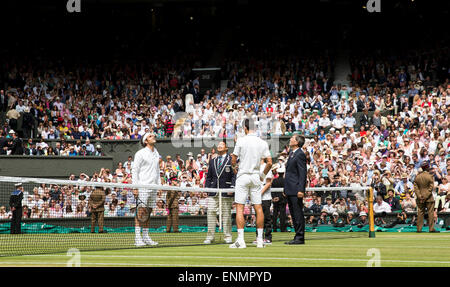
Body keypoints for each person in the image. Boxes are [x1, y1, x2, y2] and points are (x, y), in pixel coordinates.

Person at [230, 118, 272, 249]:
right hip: (255, 177)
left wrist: (234, 168)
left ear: (245, 128)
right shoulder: (262, 142)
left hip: (243, 177)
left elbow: (233, 160)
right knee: (258, 208)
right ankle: (260, 241)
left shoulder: (241, 141)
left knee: (240, 207)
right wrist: (262, 176)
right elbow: (270, 163)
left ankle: (241, 241)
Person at [204, 141, 235, 244]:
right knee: (210, 213)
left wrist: (232, 187)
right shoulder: (213, 161)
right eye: (218, 145)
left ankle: (228, 236)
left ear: (226, 148)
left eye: (222, 145)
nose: (219, 146)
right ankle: (210, 237)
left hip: (226, 192)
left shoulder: (231, 160)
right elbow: (209, 177)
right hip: (213, 192)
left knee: (226, 215)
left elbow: (234, 175)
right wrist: (206, 189)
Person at [132, 132, 160, 246]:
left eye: (153, 135)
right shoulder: (140, 153)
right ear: (145, 141)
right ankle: (137, 238)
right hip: (143, 186)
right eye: (150, 136)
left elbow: (157, 170)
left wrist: (159, 185)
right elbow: (135, 170)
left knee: (148, 212)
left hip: (153, 187)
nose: (153, 136)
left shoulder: (156, 153)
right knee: (141, 212)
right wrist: (135, 187)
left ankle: (146, 236)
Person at [284, 134, 307, 244]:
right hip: (290, 188)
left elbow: (302, 173)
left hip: (296, 188)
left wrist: (301, 190)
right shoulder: (292, 153)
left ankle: (300, 237)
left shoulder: (300, 154)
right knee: (293, 213)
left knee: (297, 213)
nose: (290, 139)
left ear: (297, 142)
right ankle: (297, 235)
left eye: (293, 138)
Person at [414, 162, 439, 233]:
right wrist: (425, 196)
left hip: (420, 198)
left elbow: (416, 188)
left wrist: (420, 196)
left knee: (420, 213)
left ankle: (419, 229)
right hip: (428, 198)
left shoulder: (417, 176)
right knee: (430, 213)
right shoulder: (430, 176)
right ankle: (431, 229)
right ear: (427, 168)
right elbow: (430, 188)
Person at [271, 163, 287, 232]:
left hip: (275, 199)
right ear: (283, 173)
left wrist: (274, 197)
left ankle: (274, 228)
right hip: (282, 199)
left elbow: (272, 190)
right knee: (282, 214)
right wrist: (280, 197)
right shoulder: (285, 181)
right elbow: (285, 191)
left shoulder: (274, 180)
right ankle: (282, 228)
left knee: (275, 214)